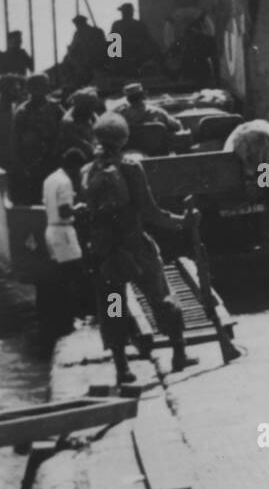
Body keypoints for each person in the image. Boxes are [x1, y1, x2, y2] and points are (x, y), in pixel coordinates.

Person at [82, 113, 194, 384]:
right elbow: (150, 211)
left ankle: (123, 369)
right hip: (136, 247)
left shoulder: (87, 172)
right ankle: (179, 354)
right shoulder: (131, 167)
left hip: (106, 253)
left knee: (113, 307)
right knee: (161, 297)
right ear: (124, 139)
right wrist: (182, 222)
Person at [40, 147, 89, 334]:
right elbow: (65, 210)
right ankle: (71, 320)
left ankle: (63, 319)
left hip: (51, 230)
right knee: (74, 276)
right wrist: (80, 208)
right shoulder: (65, 182)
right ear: (74, 166)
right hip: (63, 231)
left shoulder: (50, 179)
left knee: (63, 276)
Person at [10, 73, 62, 202]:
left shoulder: (55, 107)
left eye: (43, 86)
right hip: (30, 162)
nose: (39, 90)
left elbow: (64, 128)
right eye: (35, 87)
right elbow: (15, 140)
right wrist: (20, 164)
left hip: (52, 159)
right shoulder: (22, 111)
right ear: (29, 89)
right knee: (34, 195)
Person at [109, 3, 162, 76]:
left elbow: (112, 45)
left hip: (131, 59)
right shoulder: (139, 25)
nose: (125, 13)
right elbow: (113, 45)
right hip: (130, 59)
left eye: (125, 12)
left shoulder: (118, 25)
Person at [118, 82, 183, 134]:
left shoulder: (120, 116)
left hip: (131, 150)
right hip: (158, 149)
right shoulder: (158, 112)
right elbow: (177, 127)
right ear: (144, 96)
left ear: (128, 99)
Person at [62, 15, 107, 84]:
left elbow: (72, 47)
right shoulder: (98, 30)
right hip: (102, 57)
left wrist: (69, 49)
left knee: (67, 58)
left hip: (89, 61)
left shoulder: (79, 34)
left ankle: (78, 79)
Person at [59, 87, 100, 158]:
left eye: (93, 105)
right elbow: (82, 145)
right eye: (88, 105)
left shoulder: (90, 114)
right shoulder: (68, 122)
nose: (92, 108)